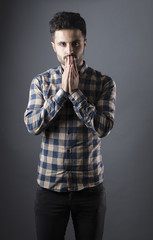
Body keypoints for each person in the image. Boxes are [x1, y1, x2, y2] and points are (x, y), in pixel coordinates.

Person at [24, 11, 116, 240]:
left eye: (75, 43)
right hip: (49, 190)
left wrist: (75, 93)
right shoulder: (41, 82)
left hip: (90, 190)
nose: (69, 50)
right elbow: (32, 125)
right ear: (53, 46)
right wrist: (61, 93)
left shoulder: (104, 82)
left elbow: (104, 128)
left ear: (84, 43)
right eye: (63, 44)